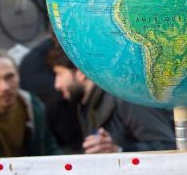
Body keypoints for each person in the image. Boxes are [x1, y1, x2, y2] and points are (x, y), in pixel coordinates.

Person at [47, 46, 176, 153]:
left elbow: (168, 146)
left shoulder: (127, 97)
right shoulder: (85, 105)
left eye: (59, 74)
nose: (57, 85)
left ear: (80, 72)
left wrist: (119, 151)